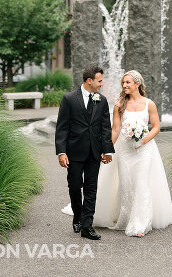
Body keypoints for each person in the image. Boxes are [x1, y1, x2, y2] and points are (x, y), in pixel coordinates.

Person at [93, 69, 172, 237]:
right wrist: (107, 148)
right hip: (124, 149)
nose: (124, 85)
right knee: (126, 183)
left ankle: (140, 223)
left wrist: (142, 141)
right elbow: (116, 129)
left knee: (141, 182)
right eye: (123, 83)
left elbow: (156, 127)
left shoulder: (149, 104)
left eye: (128, 82)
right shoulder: (119, 104)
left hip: (144, 150)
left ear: (137, 84)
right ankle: (127, 216)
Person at [55, 65, 115, 240]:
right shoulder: (69, 99)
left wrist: (107, 150)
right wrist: (61, 152)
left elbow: (105, 127)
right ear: (89, 81)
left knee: (91, 188)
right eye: (99, 81)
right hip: (74, 152)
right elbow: (62, 128)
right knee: (75, 186)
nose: (102, 84)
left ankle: (86, 226)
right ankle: (77, 215)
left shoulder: (101, 100)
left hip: (94, 153)